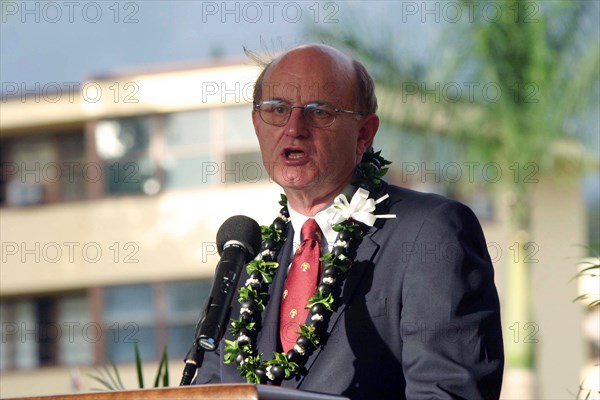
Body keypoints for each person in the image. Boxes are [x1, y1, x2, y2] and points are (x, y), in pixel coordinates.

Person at [197, 44, 504, 399]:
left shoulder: (430, 232)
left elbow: (448, 392)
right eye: (277, 110)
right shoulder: (247, 258)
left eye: (320, 111)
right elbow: (210, 390)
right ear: (257, 125)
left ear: (364, 134)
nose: (294, 128)